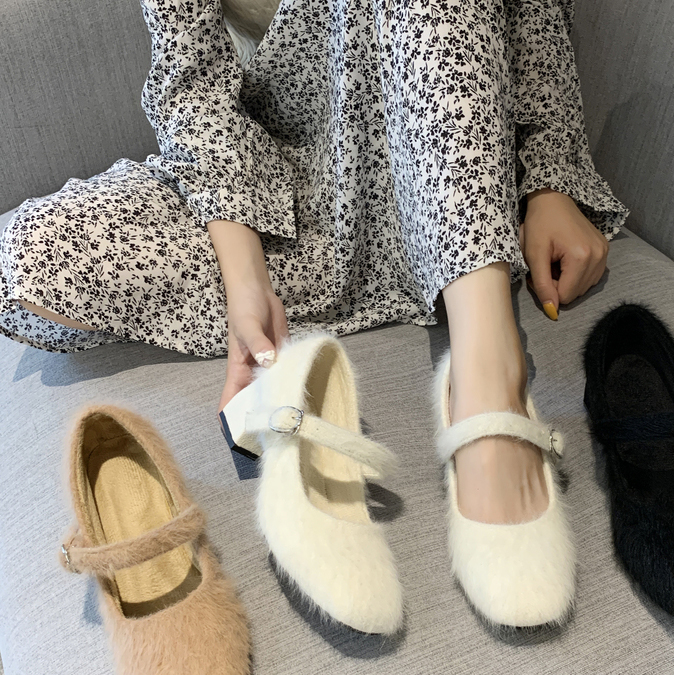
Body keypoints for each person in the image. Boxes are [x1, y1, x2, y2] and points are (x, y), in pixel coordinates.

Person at [0, 0, 627, 525]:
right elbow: (194, 89)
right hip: (288, 179)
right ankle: (423, 294)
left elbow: (531, 11)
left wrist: (549, 179)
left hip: (454, 152)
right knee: (32, 259)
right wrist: (246, 284)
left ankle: (489, 378)